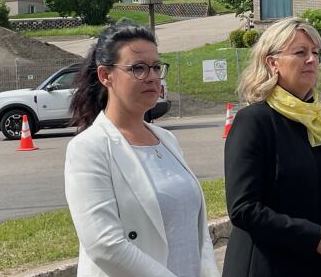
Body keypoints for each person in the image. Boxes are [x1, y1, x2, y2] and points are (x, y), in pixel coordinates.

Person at [64, 24, 219, 277]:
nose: (152, 76)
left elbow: (197, 232)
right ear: (105, 75)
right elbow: (105, 245)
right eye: (138, 68)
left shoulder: (167, 140)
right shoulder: (89, 148)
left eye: (156, 67)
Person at [223, 17, 321, 277]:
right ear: (272, 62)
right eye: (300, 52)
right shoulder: (255, 121)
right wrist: (315, 237)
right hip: (272, 265)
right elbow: (244, 208)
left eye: (315, 52)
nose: (312, 60)